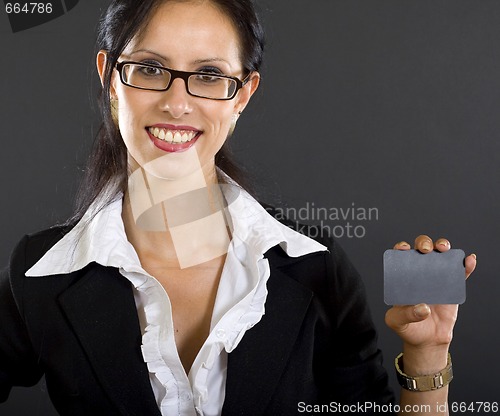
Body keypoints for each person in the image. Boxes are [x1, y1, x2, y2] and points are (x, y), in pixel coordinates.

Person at [0, 0, 476, 415]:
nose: (176, 102)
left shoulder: (316, 269)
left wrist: (427, 355)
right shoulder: (38, 274)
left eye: (208, 76)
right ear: (109, 78)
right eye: (149, 68)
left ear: (243, 94)